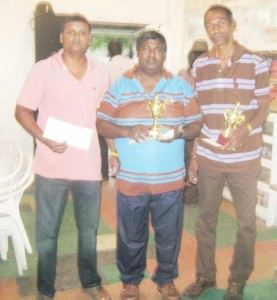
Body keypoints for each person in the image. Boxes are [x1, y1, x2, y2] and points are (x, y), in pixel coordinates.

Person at [96, 30, 202, 300]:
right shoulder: (120, 86)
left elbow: (196, 123)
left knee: (169, 236)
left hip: (170, 181)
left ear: (164, 54)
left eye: (157, 49)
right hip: (132, 180)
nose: (151, 54)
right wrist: (127, 132)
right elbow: (102, 122)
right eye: (146, 48)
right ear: (138, 52)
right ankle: (130, 281)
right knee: (131, 236)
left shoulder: (179, 86)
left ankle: (166, 280)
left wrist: (178, 133)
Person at [15, 14, 111, 300]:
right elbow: (21, 110)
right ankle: (45, 290)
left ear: (90, 39)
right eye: (71, 32)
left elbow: (102, 117)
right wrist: (42, 137)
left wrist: (114, 151)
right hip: (51, 166)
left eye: (83, 32)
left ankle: (91, 282)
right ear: (61, 37)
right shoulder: (43, 70)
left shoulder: (100, 73)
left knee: (88, 232)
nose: (77, 37)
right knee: (46, 235)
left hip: (88, 166)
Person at [182, 4, 269, 300]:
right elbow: (198, 115)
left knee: (246, 223)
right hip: (209, 157)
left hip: (245, 158)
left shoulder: (256, 63)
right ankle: (205, 276)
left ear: (233, 25)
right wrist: (194, 156)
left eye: (221, 22)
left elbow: (262, 107)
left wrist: (244, 129)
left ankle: (238, 279)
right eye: (210, 23)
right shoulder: (200, 66)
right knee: (205, 219)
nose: (216, 27)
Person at [178, 39, 208, 204]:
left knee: (191, 158)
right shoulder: (186, 74)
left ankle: (188, 193)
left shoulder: (185, 74)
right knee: (190, 158)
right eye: (196, 54)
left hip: (194, 123)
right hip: (192, 122)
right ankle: (188, 192)